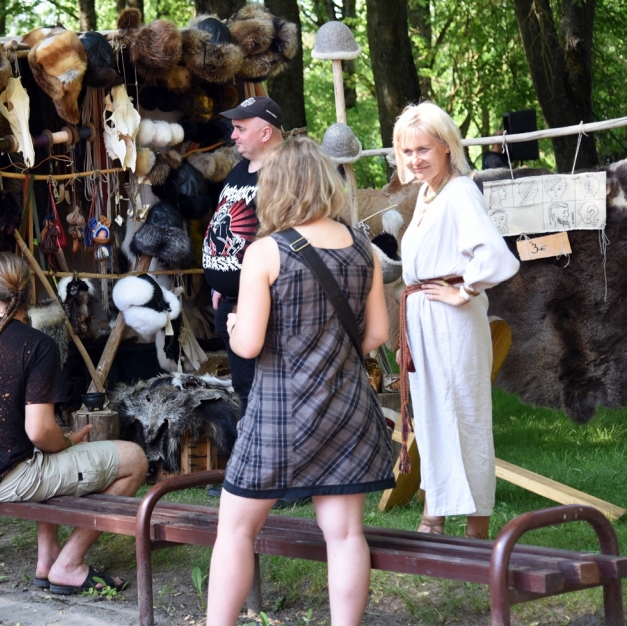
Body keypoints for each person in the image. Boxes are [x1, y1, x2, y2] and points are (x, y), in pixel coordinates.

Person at [206, 138, 395, 626]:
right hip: (348, 409)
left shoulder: (265, 252)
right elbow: (376, 334)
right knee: (346, 535)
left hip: (278, 414)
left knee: (235, 531)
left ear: (276, 188)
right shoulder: (363, 248)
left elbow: (247, 345)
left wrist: (231, 325)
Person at [0, 252, 148, 594]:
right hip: (5, 480)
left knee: (45, 459)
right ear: (29, 296)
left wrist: (61, 444)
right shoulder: (37, 344)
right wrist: (69, 442)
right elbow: (39, 432)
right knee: (134, 459)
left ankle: (47, 557)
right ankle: (69, 564)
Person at [392, 102, 519, 539]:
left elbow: (494, 255)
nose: (414, 159)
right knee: (432, 417)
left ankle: (476, 524)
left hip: (453, 320)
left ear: (446, 146)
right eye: (407, 151)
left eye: (423, 149)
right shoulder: (428, 194)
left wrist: (463, 290)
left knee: (463, 414)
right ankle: (436, 510)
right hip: (425, 319)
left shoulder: (462, 191)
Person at [201, 96, 285, 500]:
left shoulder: (284, 173)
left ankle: (267, 478)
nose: (233, 134)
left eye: (241, 127)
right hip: (230, 299)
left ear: (265, 131)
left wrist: (257, 292)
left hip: (262, 301)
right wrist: (220, 285)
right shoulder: (240, 169)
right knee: (244, 387)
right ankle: (249, 473)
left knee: (266, 389)